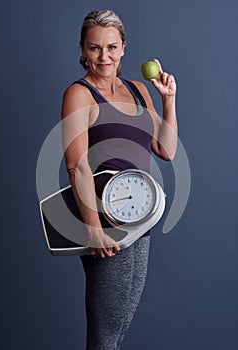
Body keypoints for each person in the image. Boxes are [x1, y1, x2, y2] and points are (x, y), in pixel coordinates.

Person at [61, 9, 178, 350]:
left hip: (140, 216)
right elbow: (76, 165)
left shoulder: (139, 90)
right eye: (95, 48)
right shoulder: (79, 94)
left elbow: (165, 149)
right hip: (104, 220)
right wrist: (93, 229)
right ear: (83, 49)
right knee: (106, 331)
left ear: (123, 47)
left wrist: (167, 100)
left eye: (111, 47)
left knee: (119, 325)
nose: (104, 57)